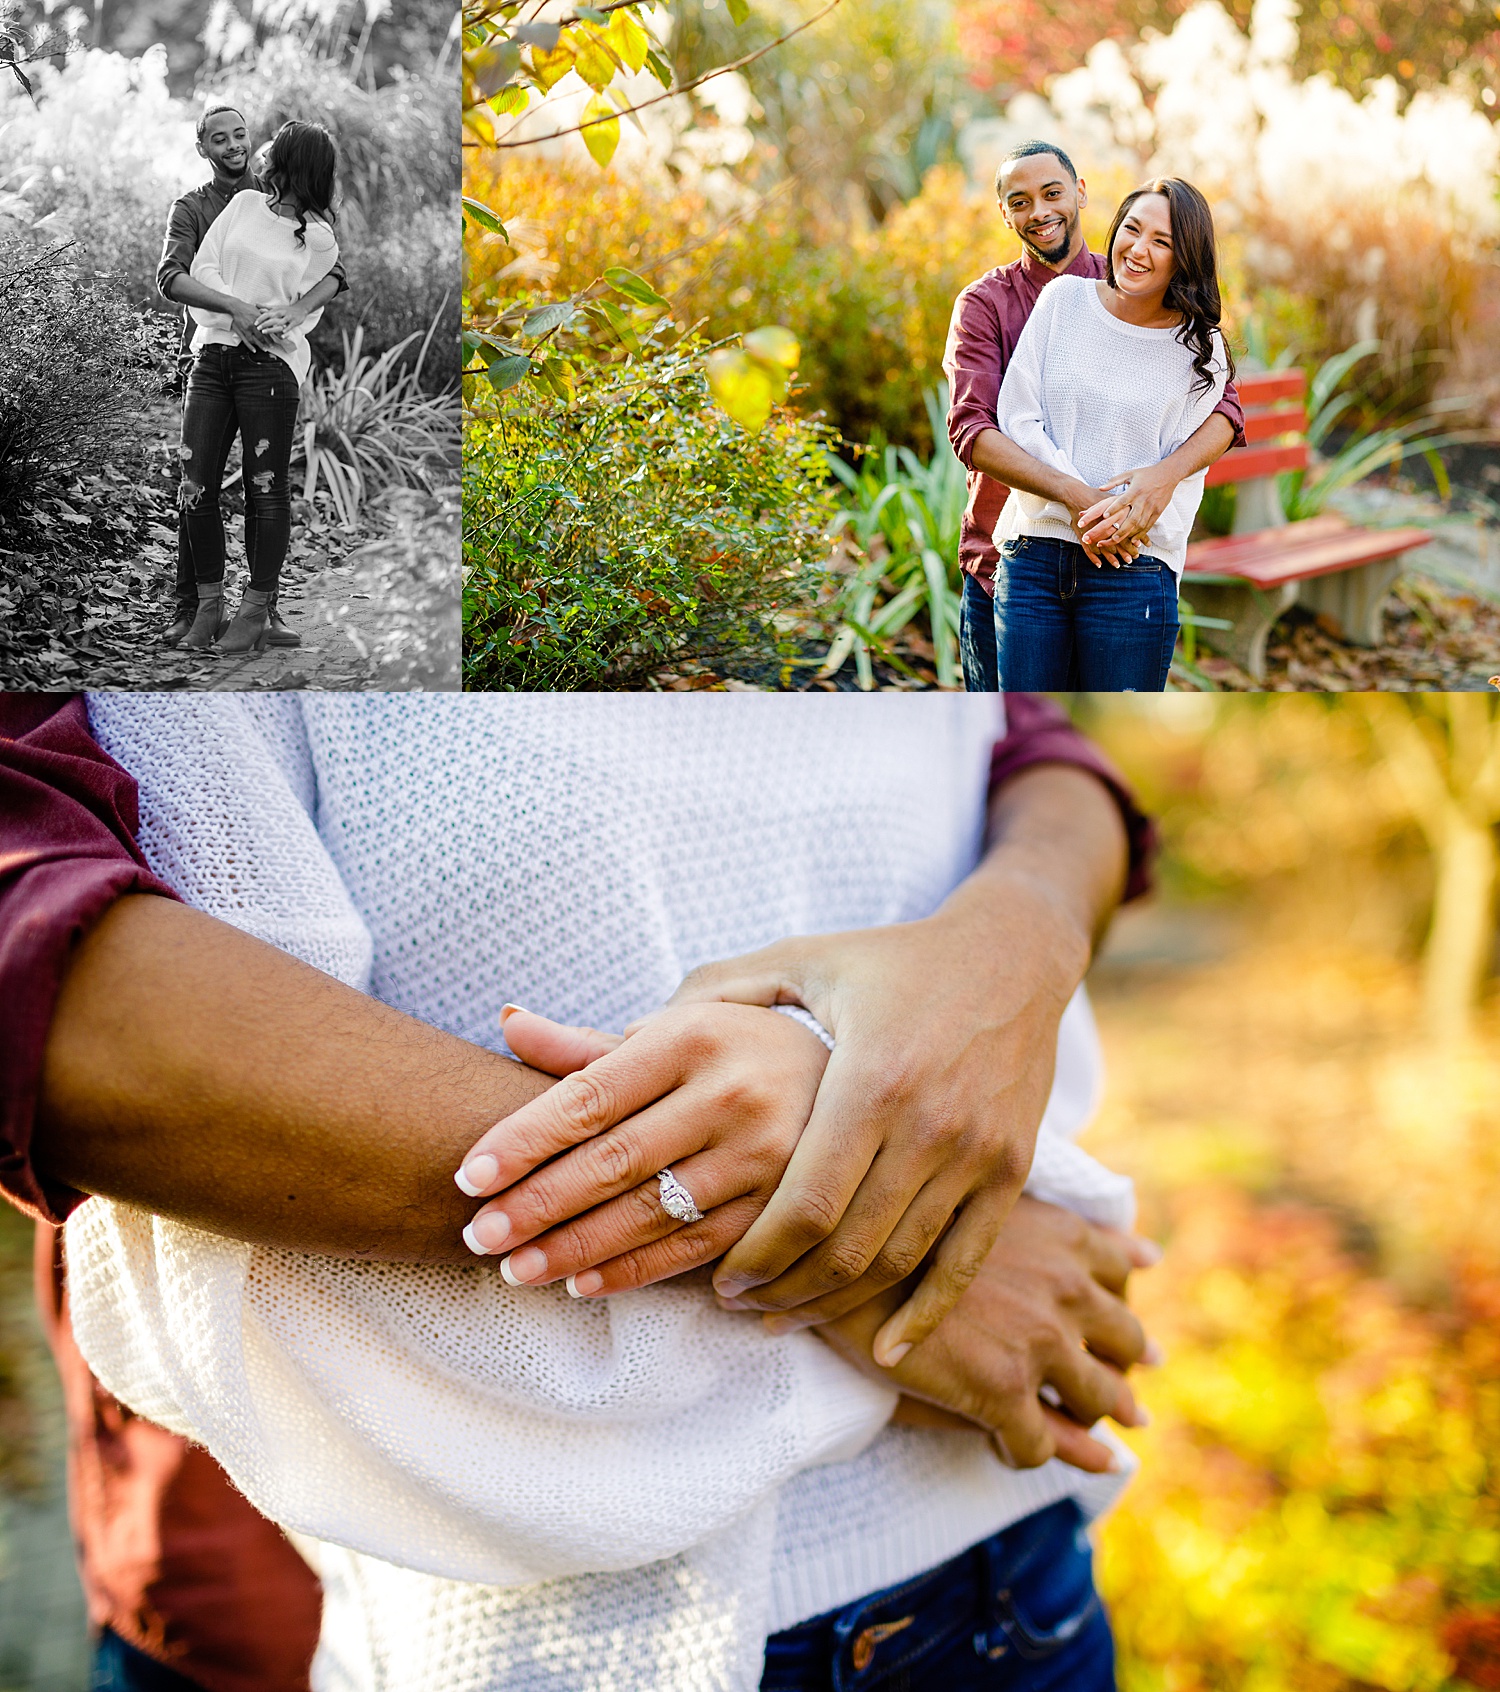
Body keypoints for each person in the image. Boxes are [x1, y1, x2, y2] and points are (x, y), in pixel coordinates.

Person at [2, 693, 1157, 1692]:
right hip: (489, 1610)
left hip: (994, 1561)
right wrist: (866, 1214)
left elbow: (1020, 737)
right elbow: (46, 971)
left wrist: (1017, 944)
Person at [945, 141, 1246, 692]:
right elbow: (976, 431)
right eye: (1020, 201)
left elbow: (1224, 408)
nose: (1039, 212)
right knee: (1015, 739)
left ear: (1081, 194)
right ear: (1004, 213)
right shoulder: (992, 303)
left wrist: (1162, 478)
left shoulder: (1140, 286)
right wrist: (1082, 500)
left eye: (1052, 193)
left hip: (1126, 561)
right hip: (1009, 555)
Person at [156, 104, 347, 653]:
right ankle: (206, 606)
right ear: (205, 147)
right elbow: (198, 271)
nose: (253, 147)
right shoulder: (237, 205)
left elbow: (319, 292)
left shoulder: (318, 237)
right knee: (195, 487)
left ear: (291, 162)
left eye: (263, 141)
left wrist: (284, 316)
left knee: (266, 492)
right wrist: (239, 311)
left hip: (270, 369)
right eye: (227, 137)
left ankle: (257, 608)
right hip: (214, 359)